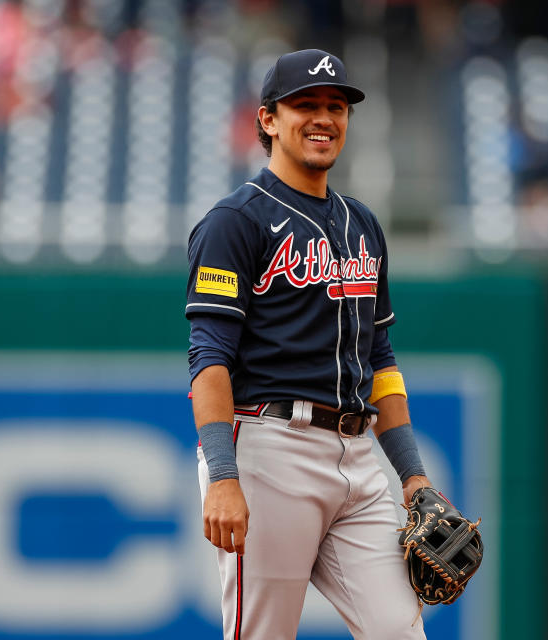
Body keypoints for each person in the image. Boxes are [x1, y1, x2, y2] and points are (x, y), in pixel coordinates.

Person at [185, 49, 431, 639]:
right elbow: (208, 357)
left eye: (336, 106)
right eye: (306, 105)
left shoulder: (362, 223)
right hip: (270, 449)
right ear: (268, 119)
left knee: (400, 631)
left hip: (356, 454)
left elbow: (380, 360)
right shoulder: (235, 221)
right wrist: (222, 474)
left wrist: (412, 476)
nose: (324, 118)